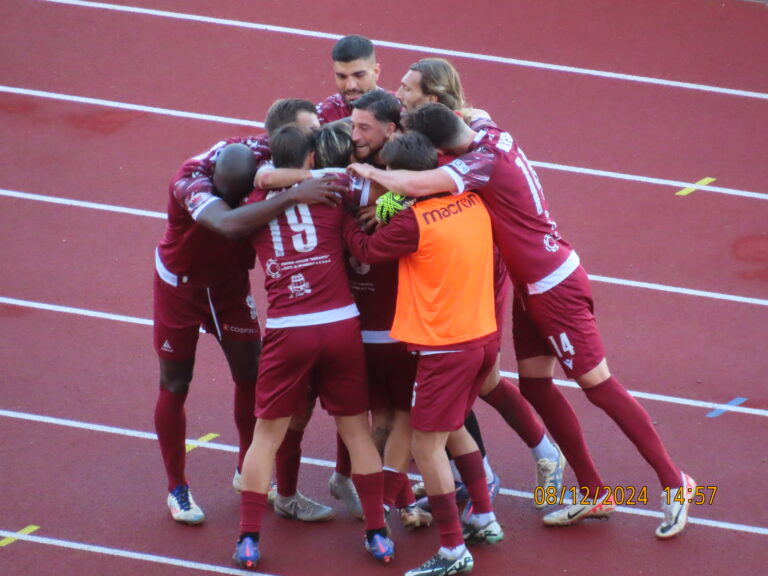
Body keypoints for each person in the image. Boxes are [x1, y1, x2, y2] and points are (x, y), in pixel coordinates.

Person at [349, 102, 696, 539]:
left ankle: (674, 481)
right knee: (534, 385)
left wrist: (369, 175)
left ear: (441, 148)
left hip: (554, 286)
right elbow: (475, 109)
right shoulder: (484, 131)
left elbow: (414, 181)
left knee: (600, 386)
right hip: (531, 285)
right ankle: (593, 490)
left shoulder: (479, 162)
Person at [396, 57, 566, 510]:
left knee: (463, 372)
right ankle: (539, 454)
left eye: (407, 88)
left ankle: (480, 480)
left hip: (475, 269)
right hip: (451, 263)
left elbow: (413, 186)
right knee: (481, 377)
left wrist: (380, 194)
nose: (399, 93)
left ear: (433, 100)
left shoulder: (461, 146)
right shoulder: (447, 127)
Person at [153, 121, 343, 525]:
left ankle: (245, 470)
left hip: (229, 286)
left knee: (252, 376)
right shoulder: (191, 184)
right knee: (175, 382)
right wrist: (293, 195)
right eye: (235, 197)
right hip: (180, 288)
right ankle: (177, 488)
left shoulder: (260, 151)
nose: (245, 202)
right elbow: (228, 223)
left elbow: (307, 127)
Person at [233, 125, 393, 570]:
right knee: (356, 431)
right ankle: (377, 533)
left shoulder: (253, 205)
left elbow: (239, 218)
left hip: (289, 329)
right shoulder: (332, 195)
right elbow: (380, 204)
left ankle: (248, 539)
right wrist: (393, 201)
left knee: (266, 435)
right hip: (341, 324)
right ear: (310, 159)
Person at [344, 132, 503, 576]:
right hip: (481, 337)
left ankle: (452, 549)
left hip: (444, 346)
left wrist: (345, 221)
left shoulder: (415, 222)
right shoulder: (471, 199)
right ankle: (484, 516)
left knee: (426, 445)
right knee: (453, 430)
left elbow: (366, 250)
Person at [316, 34, 383, 125]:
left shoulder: (400, 110)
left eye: (359, 75)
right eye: (342, 76)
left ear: (376, 72)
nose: (350, 86)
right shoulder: (323, 115)